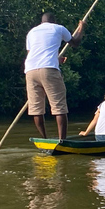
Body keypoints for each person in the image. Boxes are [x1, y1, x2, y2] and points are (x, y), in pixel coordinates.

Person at [25, 12, 86, 140]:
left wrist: (56, 59)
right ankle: (62, 140)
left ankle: (44, 139)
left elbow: (34, 53)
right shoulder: (58, 28)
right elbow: (75, 42)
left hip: (30, 71)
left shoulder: (32, 32)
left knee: (36, 109)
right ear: (54, 20)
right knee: (59, 107)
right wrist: (81, 27)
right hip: (49, 70)